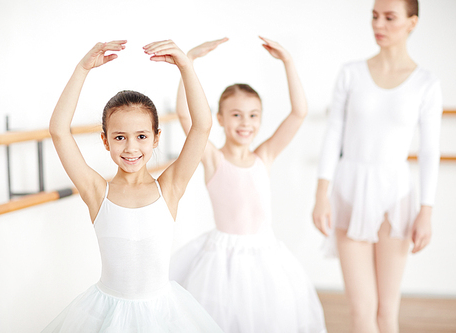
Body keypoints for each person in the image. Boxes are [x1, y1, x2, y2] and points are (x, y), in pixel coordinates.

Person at [42, 39, 223, 332]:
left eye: (141, 136)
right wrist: (82, 69)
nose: (130, 148)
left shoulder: (170, 188)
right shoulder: (97, 192)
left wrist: (186, 66)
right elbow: (59, 131)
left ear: (156, 138)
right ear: (105, 140)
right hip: (108, 313)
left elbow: (202, 125)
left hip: (163, 313)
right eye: (119, 137)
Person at [170, 37, 327, 333]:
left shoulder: (264, 156)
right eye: (236, 115)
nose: (246, 123)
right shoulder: (212, 158)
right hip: (222, 261)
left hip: (266, 256)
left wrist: (288, 62)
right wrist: (187, 61)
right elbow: (184, 115)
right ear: (219, 118)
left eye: (253, 115)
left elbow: (299, 113)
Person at [312, 0, 443, 332]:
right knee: (361, 310)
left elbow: (429, 152)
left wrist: (426, 211)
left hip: (396, 194)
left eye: (389, 17)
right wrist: (321, 194)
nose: (378, 25)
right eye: (374, 16)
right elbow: (333, 136)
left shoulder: (426, 83)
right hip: (349, 189)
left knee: (387, 311)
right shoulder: (351, 73)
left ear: (411, 23)